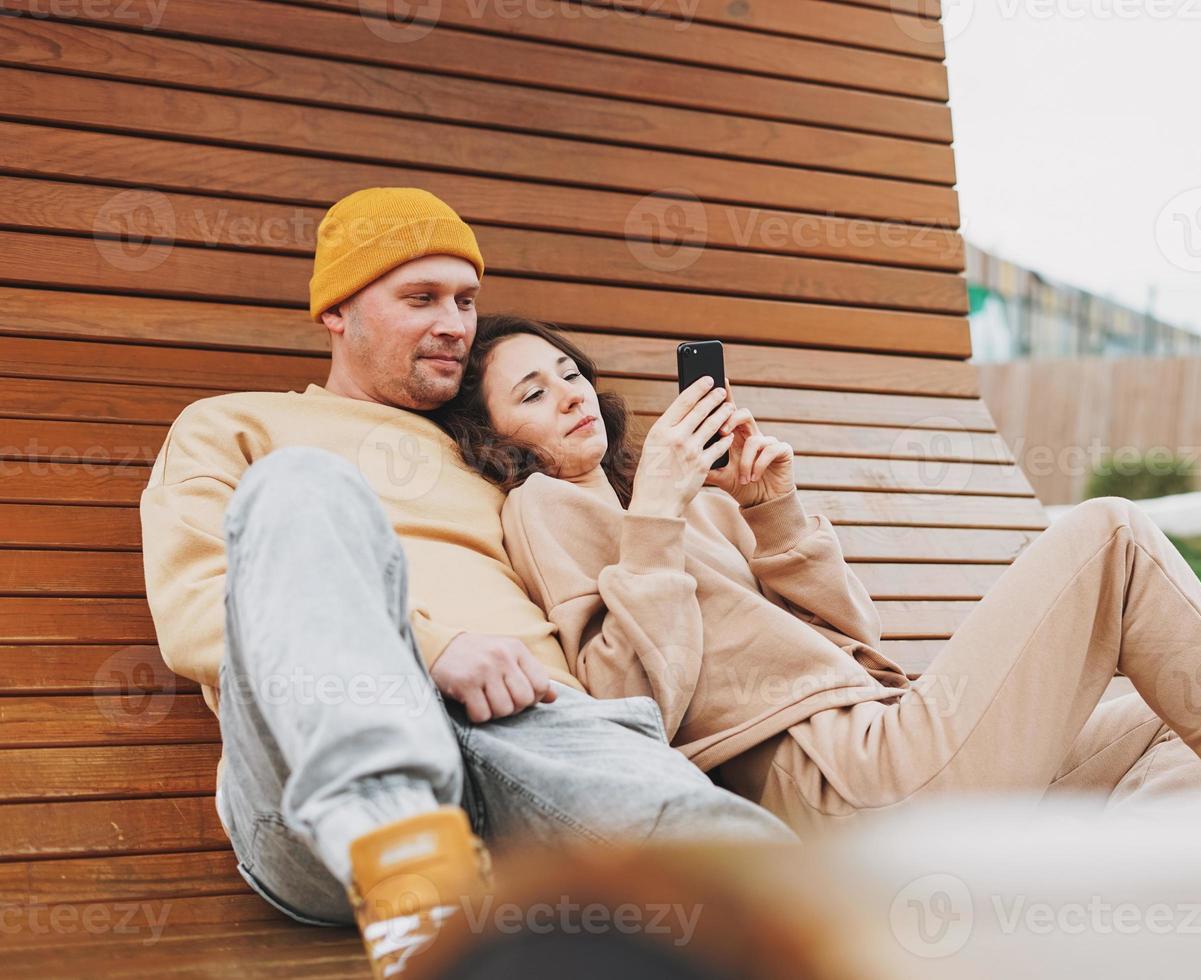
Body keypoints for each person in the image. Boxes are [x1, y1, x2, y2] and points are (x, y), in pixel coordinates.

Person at [139, 188, 791, 980]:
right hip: (321, 791)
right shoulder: (235, 426)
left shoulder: (500, 456)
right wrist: (432, 649)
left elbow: (608, 637)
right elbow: (199, 613)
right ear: (336, 313)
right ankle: (408, 864)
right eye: (421, 298)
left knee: (738, 876)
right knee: (302, 487)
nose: (455, 322)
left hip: (541, 736)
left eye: (465, 299)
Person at [432, 314, 1201, 841]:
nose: (568, 394)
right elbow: (634, 704)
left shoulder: (687, 499)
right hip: (836, 791)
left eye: (569, 372)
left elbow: (856, 649)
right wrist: (659, 517)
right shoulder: (551, 511)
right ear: (494, 435)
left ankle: (1135, 922)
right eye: (532, 392)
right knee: (1109, 536)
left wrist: (771, 509)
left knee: (1176, 716)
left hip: (885, 732)